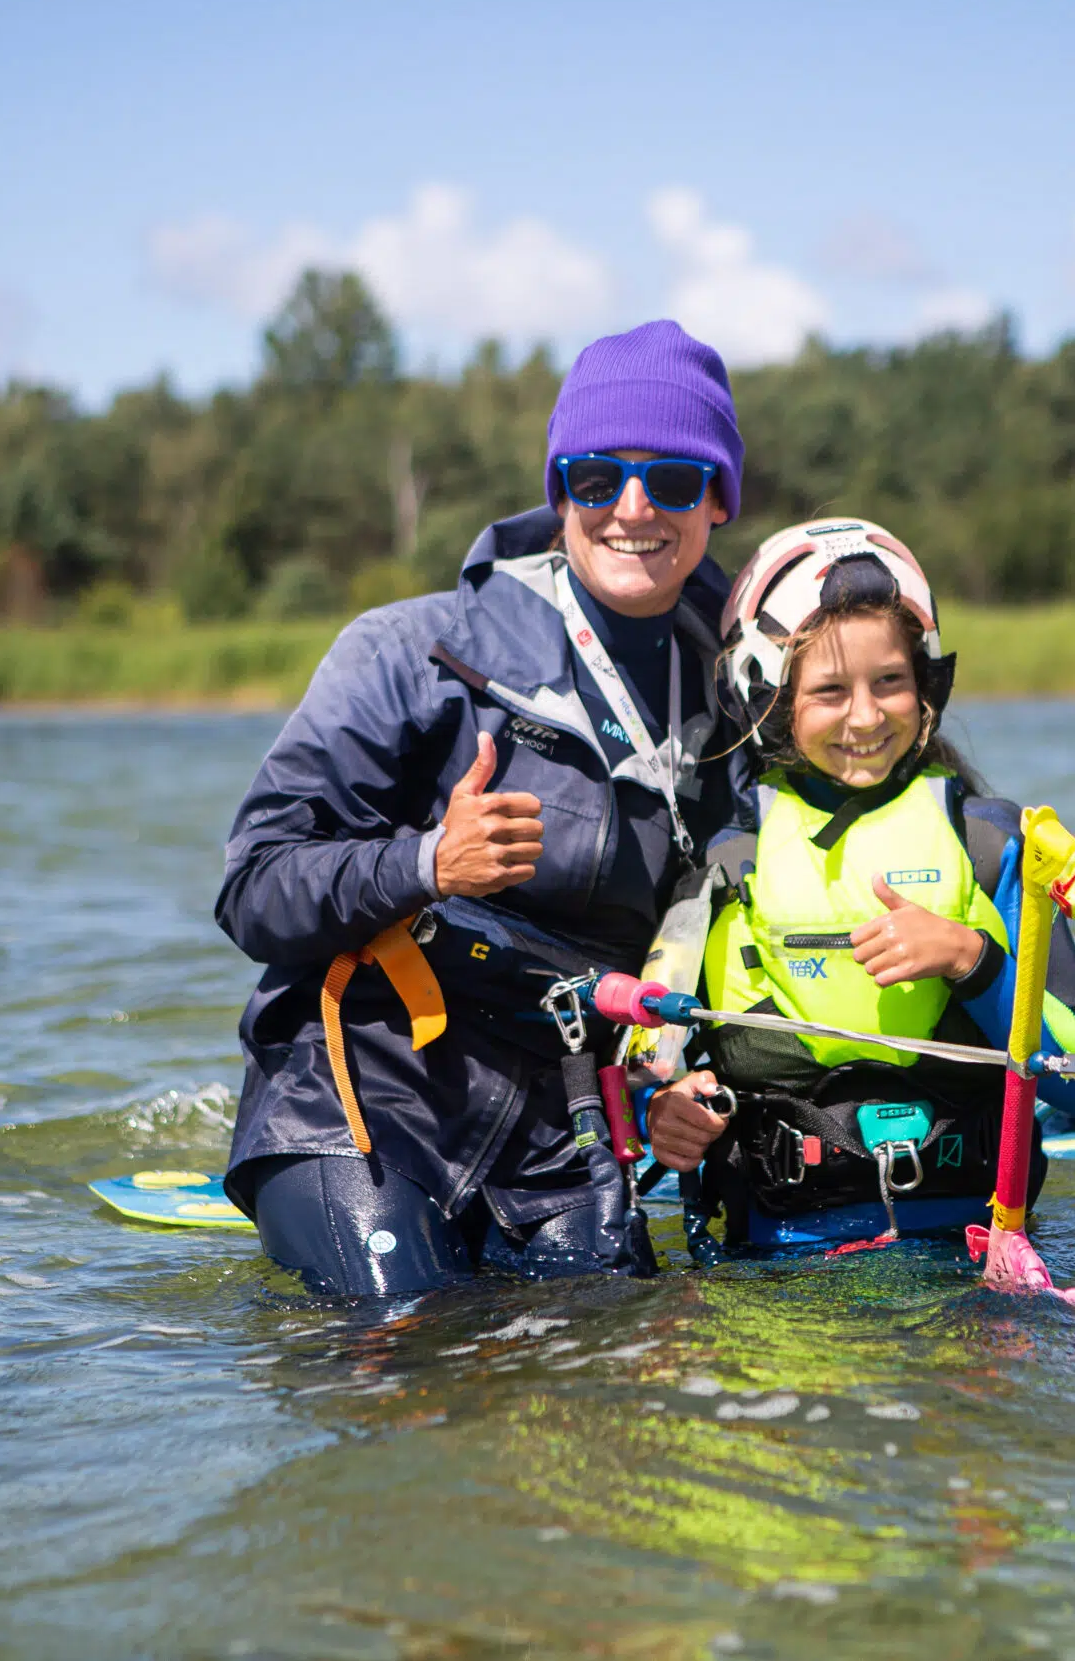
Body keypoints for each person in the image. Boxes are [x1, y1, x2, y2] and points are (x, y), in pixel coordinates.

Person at [214, 320, 753, 1297]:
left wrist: (693, 1082)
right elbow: (252, 890)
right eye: (596, 479)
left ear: (716, 499)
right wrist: (425, 863)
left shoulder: (741, 704)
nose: (633, 509)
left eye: (672, 480)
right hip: (363, 1100)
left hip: (567, 1138)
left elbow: (728, 937)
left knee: (630, 1384)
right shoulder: (404, 652)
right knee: (410, 1355)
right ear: (559, 495)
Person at [637, 520, 1075, 1252]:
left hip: (968, 1272)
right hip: (781, 1279)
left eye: (889, 682)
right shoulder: (726, 865)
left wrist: (972, 960)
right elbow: (650, 1070)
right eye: (830, 691)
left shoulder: (992, 846)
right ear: (769, 698)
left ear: (923, 683)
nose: (865, 715)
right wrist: (665, 1110)